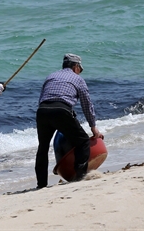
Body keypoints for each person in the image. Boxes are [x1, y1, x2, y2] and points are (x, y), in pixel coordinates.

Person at [35, 53, 103, 189]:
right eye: (80, 69)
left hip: (42, 111)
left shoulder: (51, 76)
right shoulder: (78, 80)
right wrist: (93, 126)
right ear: (75, 67)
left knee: (43, 147)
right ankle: (80, 177)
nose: (80, 72)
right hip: (61, 111)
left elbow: (43, 97)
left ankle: (41, 184)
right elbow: (87, 105)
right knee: (83, 141)